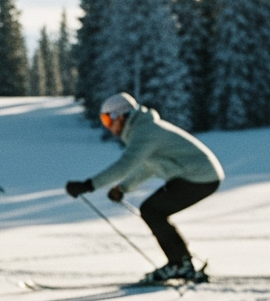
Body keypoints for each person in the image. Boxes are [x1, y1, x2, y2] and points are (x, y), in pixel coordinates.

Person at [65, 92, 224, 284]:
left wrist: (89, 185)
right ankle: (180, 262)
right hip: (199, 176)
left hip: (199, 176)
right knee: (153, 210)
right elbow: (148, 166)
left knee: (152, 210)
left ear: (120, 116)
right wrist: (123, 188)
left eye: (108, 119)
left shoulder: (145, 132)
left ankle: (179, 263)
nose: (107, 126)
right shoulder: (143, 130)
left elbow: (126, 164)